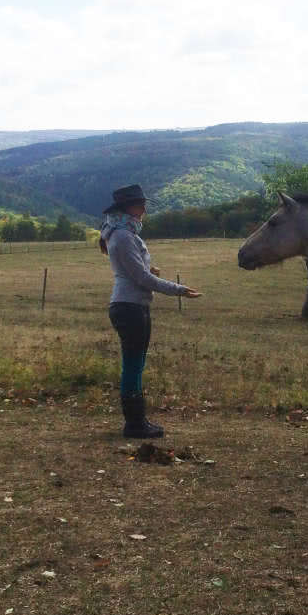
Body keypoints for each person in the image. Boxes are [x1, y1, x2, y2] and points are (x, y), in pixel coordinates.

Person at [100, 184, 202, 438]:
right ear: (126, 208)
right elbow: (140, 279)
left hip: (133, 306)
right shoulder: (123, 236)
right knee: (133, 366)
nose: (144, 209)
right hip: (130, 307)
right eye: (139, 204)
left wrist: (150, 268)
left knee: (136, 363)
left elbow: (135, 268)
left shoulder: (124, 233)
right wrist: (178, 289)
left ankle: (138, 421)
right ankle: (134, 424)